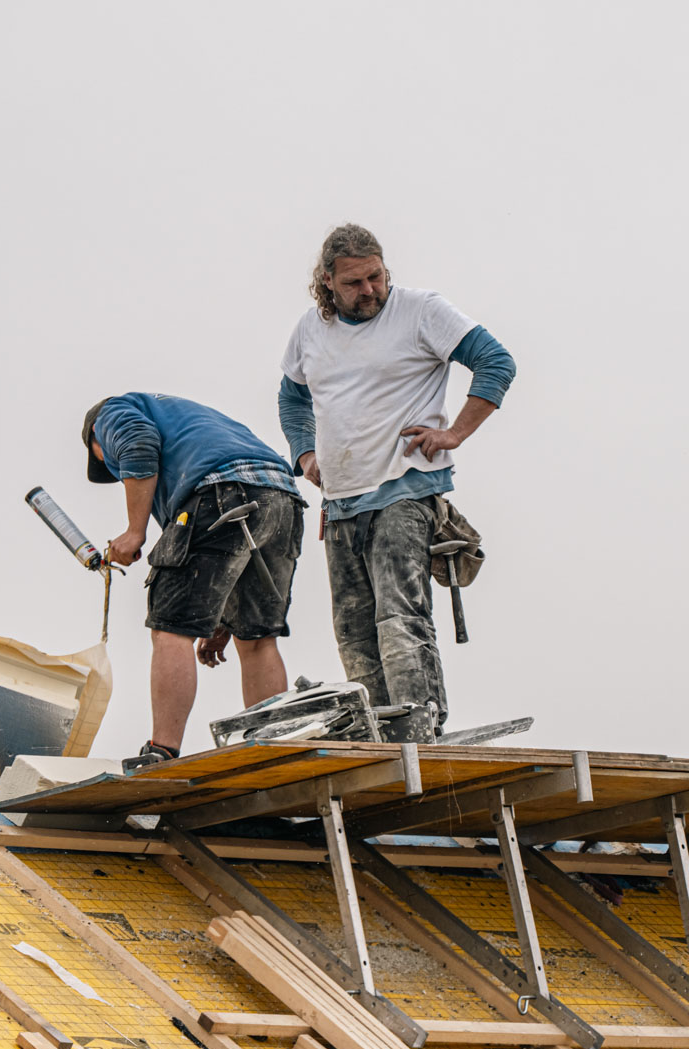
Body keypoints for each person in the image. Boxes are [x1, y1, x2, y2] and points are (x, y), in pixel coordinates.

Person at [276, 224, 515, 741]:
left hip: (405, 488)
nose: (369, 291)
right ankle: (379, 733)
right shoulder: (309, 331)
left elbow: (496, 362)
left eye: (376, 277)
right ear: (327, 283)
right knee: (354, 629)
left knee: (399, 616)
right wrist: (306, 453)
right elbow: (292, 398)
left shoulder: (421, 310)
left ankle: (419, 724)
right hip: (340, 501)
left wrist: (454, 433)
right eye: (355, 283)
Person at [85, 393, 306, 770]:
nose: (114, 467)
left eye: (103, 458)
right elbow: (226, 558)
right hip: (281, 498)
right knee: (255, 637)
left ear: (94, 439)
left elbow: (137, 444)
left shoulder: (113, 412)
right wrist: (222, 621)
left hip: (219, 491)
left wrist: (134, 532)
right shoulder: (198, 420)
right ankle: (272, 752)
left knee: (172, 629)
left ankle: (162, 751)